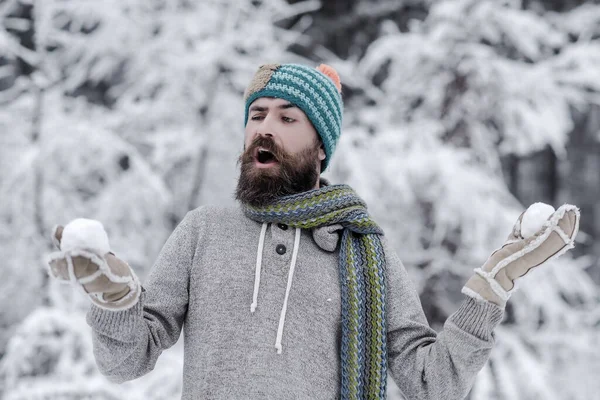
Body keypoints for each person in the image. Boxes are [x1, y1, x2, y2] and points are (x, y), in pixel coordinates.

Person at [46, 63, 580, 400]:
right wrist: (115, 300)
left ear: (320, 146)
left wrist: (490, 290)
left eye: (286, 118)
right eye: (257, 115)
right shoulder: (203, 231)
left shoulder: (364, 251)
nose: (264, 127)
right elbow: (125, 362)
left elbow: (432, 384)